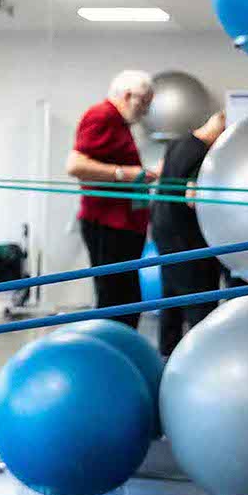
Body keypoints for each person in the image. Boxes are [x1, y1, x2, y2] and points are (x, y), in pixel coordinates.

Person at [66, 70, 158, 329]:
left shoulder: (119, 123)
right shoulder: (102, 115)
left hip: (124, 224)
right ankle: (110, 352)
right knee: (115, 297)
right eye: (145, 102)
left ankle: (120, 349)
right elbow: (75, 165)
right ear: (129, 96)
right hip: (108, 223)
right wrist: (124, 174)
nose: (146, 111)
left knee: (126, 297)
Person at [150, 110, 226, 356]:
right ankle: (203, 357)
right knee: (200, 306)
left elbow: (162, 175)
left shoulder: (177, 143)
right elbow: (192, 198)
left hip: (164, 233)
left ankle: (166, 356)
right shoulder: (204, 154)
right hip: (188, 239)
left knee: (170, 301)